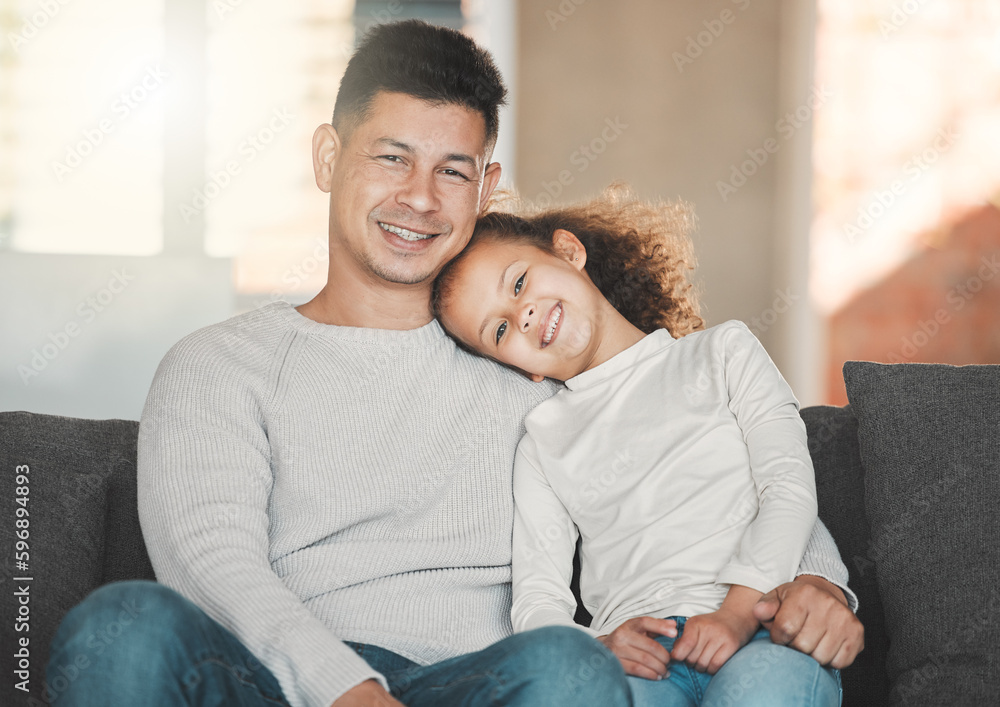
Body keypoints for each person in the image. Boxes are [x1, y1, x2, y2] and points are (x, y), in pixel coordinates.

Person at [46, 19, 862, 707]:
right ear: (330, 158)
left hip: (481, 685)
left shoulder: (530, 366)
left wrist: (820, 585)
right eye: (391, 157)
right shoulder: (221, 365)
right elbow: (212, 562)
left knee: (569, 665)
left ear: (486, 187)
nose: (420, 199)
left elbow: (700, 454)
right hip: (287, 686)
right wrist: (348, 688)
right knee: (120, 624)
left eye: (452, 171)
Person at [432, 188, 858, 705]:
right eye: (499, 329)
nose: (521, 314)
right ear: (523, 368)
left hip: (765, 625)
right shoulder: (542, 445)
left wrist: (736, 614)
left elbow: (788, 486)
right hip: (644, 660)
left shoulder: (724, 352)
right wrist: (601, 645)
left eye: (519, 282)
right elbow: (537, 600)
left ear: (568, 250)